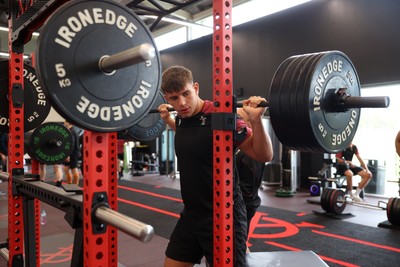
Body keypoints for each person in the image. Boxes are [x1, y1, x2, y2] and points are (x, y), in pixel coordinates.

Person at [158, 66, 273, 267]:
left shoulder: (220, 117)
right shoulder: (182, 118)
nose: (182, 103)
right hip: (191, 215)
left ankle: (240, 246)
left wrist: (255, 120)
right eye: (174, 98)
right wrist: (168, 119)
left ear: (196, 87)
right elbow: (192, 136)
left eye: (186, 94)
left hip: (224, 217)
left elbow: (264, 155)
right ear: (166, 98)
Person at [235, 108, 265, 236]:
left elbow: (248, 189)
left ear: (249, 123)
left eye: (239, 118)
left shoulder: (251, 150)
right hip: (237, 203)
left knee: (238, 242)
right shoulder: (240, 146)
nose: (235, 121)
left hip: (244, 205)